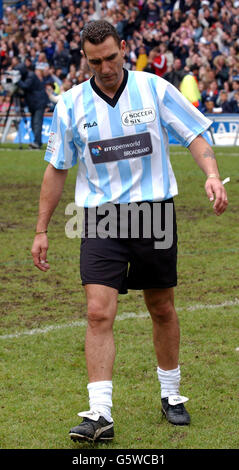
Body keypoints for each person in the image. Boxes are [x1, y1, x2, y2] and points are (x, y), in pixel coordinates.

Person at [31, 20, 228, 443]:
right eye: (94, 60)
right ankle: (99, 412)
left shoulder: (154, 89)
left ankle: (171, 394)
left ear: (124, 48)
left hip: (153, 212)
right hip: (101, 217)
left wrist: (211, 174)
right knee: (98, 311)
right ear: (85, 58)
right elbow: (57, 168)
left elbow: (194, 134)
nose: (104, 67)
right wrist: (41, 229)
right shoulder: (70, 105)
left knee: (161, 307)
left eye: (111, 57)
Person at [16, 63, 48, 149]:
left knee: (37, 123)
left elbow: (26, 86)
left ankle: (37, 143)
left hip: (39, 103)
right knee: (34, 124)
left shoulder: (31, 75)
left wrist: (17, 81)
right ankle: (37, 142)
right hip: (33, 103)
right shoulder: (26, 76)